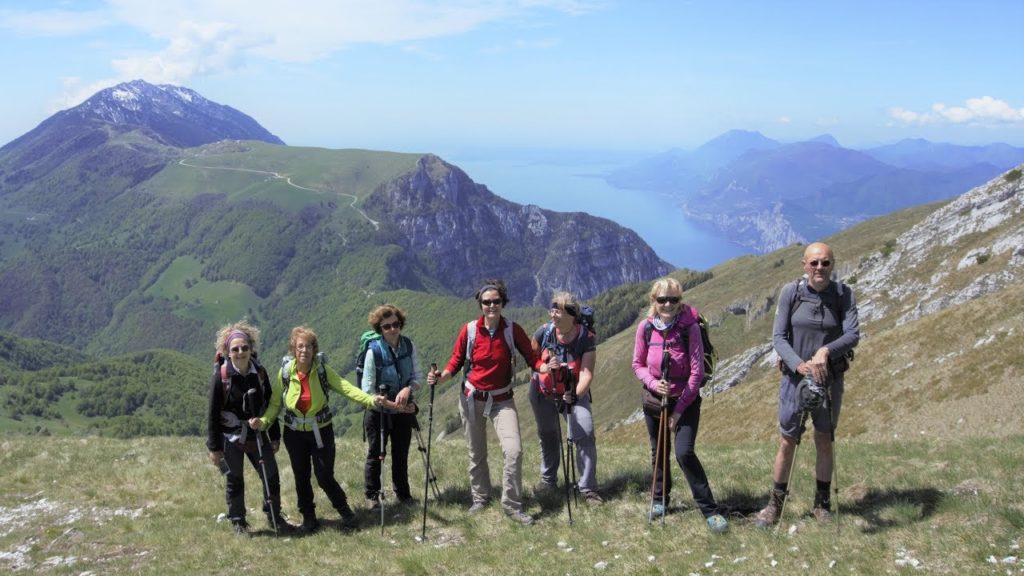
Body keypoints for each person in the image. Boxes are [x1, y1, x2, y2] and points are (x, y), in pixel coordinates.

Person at [426, 279, 555, 526]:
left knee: (514, 450)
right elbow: (455, 361)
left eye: (496, 301)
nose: (491, 306)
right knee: (477, 452)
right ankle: (480, 498)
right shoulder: (470, 330)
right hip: (472, 397)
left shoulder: (512, 330)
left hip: (502, 399)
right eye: (486, 302)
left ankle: (512, 506)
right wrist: (441, 377)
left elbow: (531, 357)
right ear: (480, 305)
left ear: (503, 303)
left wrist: (543, 367)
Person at [754, 242, 860, 527]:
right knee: (788, 441)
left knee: (824, 439)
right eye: (814, 263)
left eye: (825, 263)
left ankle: (821, 505)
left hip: (828, 381)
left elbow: (852, 335)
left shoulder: (843, 295)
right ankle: (774, 505)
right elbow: (779, 338)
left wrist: (826, 352)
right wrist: (800, 366)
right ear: (804, 265)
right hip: (794, 380)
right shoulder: (792, 293)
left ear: (832, 265)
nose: (819, 268)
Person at [249, 325, 388, 533]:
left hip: (320, 431)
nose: (304, 351)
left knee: (324, 475)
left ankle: (346, 512)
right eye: (300, 347)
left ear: (315, 349)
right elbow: (275, 404)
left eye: (308, 347)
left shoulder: (322, 370)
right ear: (294, 350)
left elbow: (345, 388)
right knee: (301, 476)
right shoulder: (286, 373)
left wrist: (370, 400)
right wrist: (264, 421)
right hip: (294, 434)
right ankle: (309, 518)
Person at [632, 277, 729, 533]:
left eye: (673, 300)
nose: (667, 304)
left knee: (684, 452)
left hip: (684, 402)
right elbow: (638, 365)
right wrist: (653, 385)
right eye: (662, 299)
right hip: (654, 400)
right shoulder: (645, 328)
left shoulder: (690, 329)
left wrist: (678, 410)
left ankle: (710, 509)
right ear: (653, 301)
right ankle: (659, 499)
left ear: (679, 301)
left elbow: (696, 374)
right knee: (659, 451)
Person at [206, 321, 296, 536]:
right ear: (227, 352)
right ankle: (238, 521)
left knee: (270, 475)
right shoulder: (221, 377)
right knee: (234, 479)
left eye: (244, 348)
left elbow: (269, 404)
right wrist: (214, 448)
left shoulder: (260, 373)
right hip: (231, 437)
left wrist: (274, 435)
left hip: (257, 434)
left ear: (251, 349)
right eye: (235, 349)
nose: (240, 352)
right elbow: (212, 414)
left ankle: (275, 517)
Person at [528, 291, 603, 505]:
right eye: (552, 310)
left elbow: (587, 373)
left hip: (573, 392)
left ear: (571, 315)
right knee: (548, 434)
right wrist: (542, 366)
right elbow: (531, 357)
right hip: (542, 393)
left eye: (558, 311)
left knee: (585, 433)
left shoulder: (585, 338)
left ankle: (588, 488)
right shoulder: (544, 332)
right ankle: (548, 481)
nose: (553, 315)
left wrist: (575, 396)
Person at [361, 304, 422, 511]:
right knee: (376, 453)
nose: (392, 329)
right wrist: (389, 403)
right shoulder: (374, 352)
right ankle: (372, 496)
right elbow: (367, 390)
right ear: (380, 329)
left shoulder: (408, 345)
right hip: (378, 412)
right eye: (386, 326)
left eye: (396, 324)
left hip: (403, 411)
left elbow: (417, 376)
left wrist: (408, 389)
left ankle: (403, 494)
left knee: (401, 453)